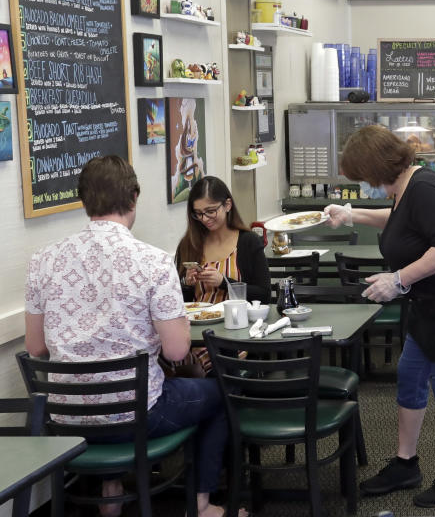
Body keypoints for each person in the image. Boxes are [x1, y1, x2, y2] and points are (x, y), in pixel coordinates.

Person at [24, 156, 240, 517]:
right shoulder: (153, 262)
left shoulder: (42, 260)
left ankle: (111, 489)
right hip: (139, 415)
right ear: (134, 197)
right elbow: (176, 351)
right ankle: (202, 504)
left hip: (65, 418)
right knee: (220, 394)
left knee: (105, 391)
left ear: (83, 200)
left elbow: (35, 347)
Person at [323, 125, 435, 508]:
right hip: (431, 300)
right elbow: (399, 222)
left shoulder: (424, 187)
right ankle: (406, 464)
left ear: (377, 167)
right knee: (410, 375)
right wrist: (350, 213)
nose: (366, 183)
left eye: (365, 177)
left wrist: (398, 280)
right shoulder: (406, 187)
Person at [175, 176, 270, 305]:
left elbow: (264, 295)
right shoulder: (188, 245)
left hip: (239, 321)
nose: (205, 219)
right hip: (198, 322)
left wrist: (224, 283)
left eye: (210, 211)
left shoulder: (248, 241)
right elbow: (175, 303)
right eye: (198, 213)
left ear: (227, 205)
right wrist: (187, 284)